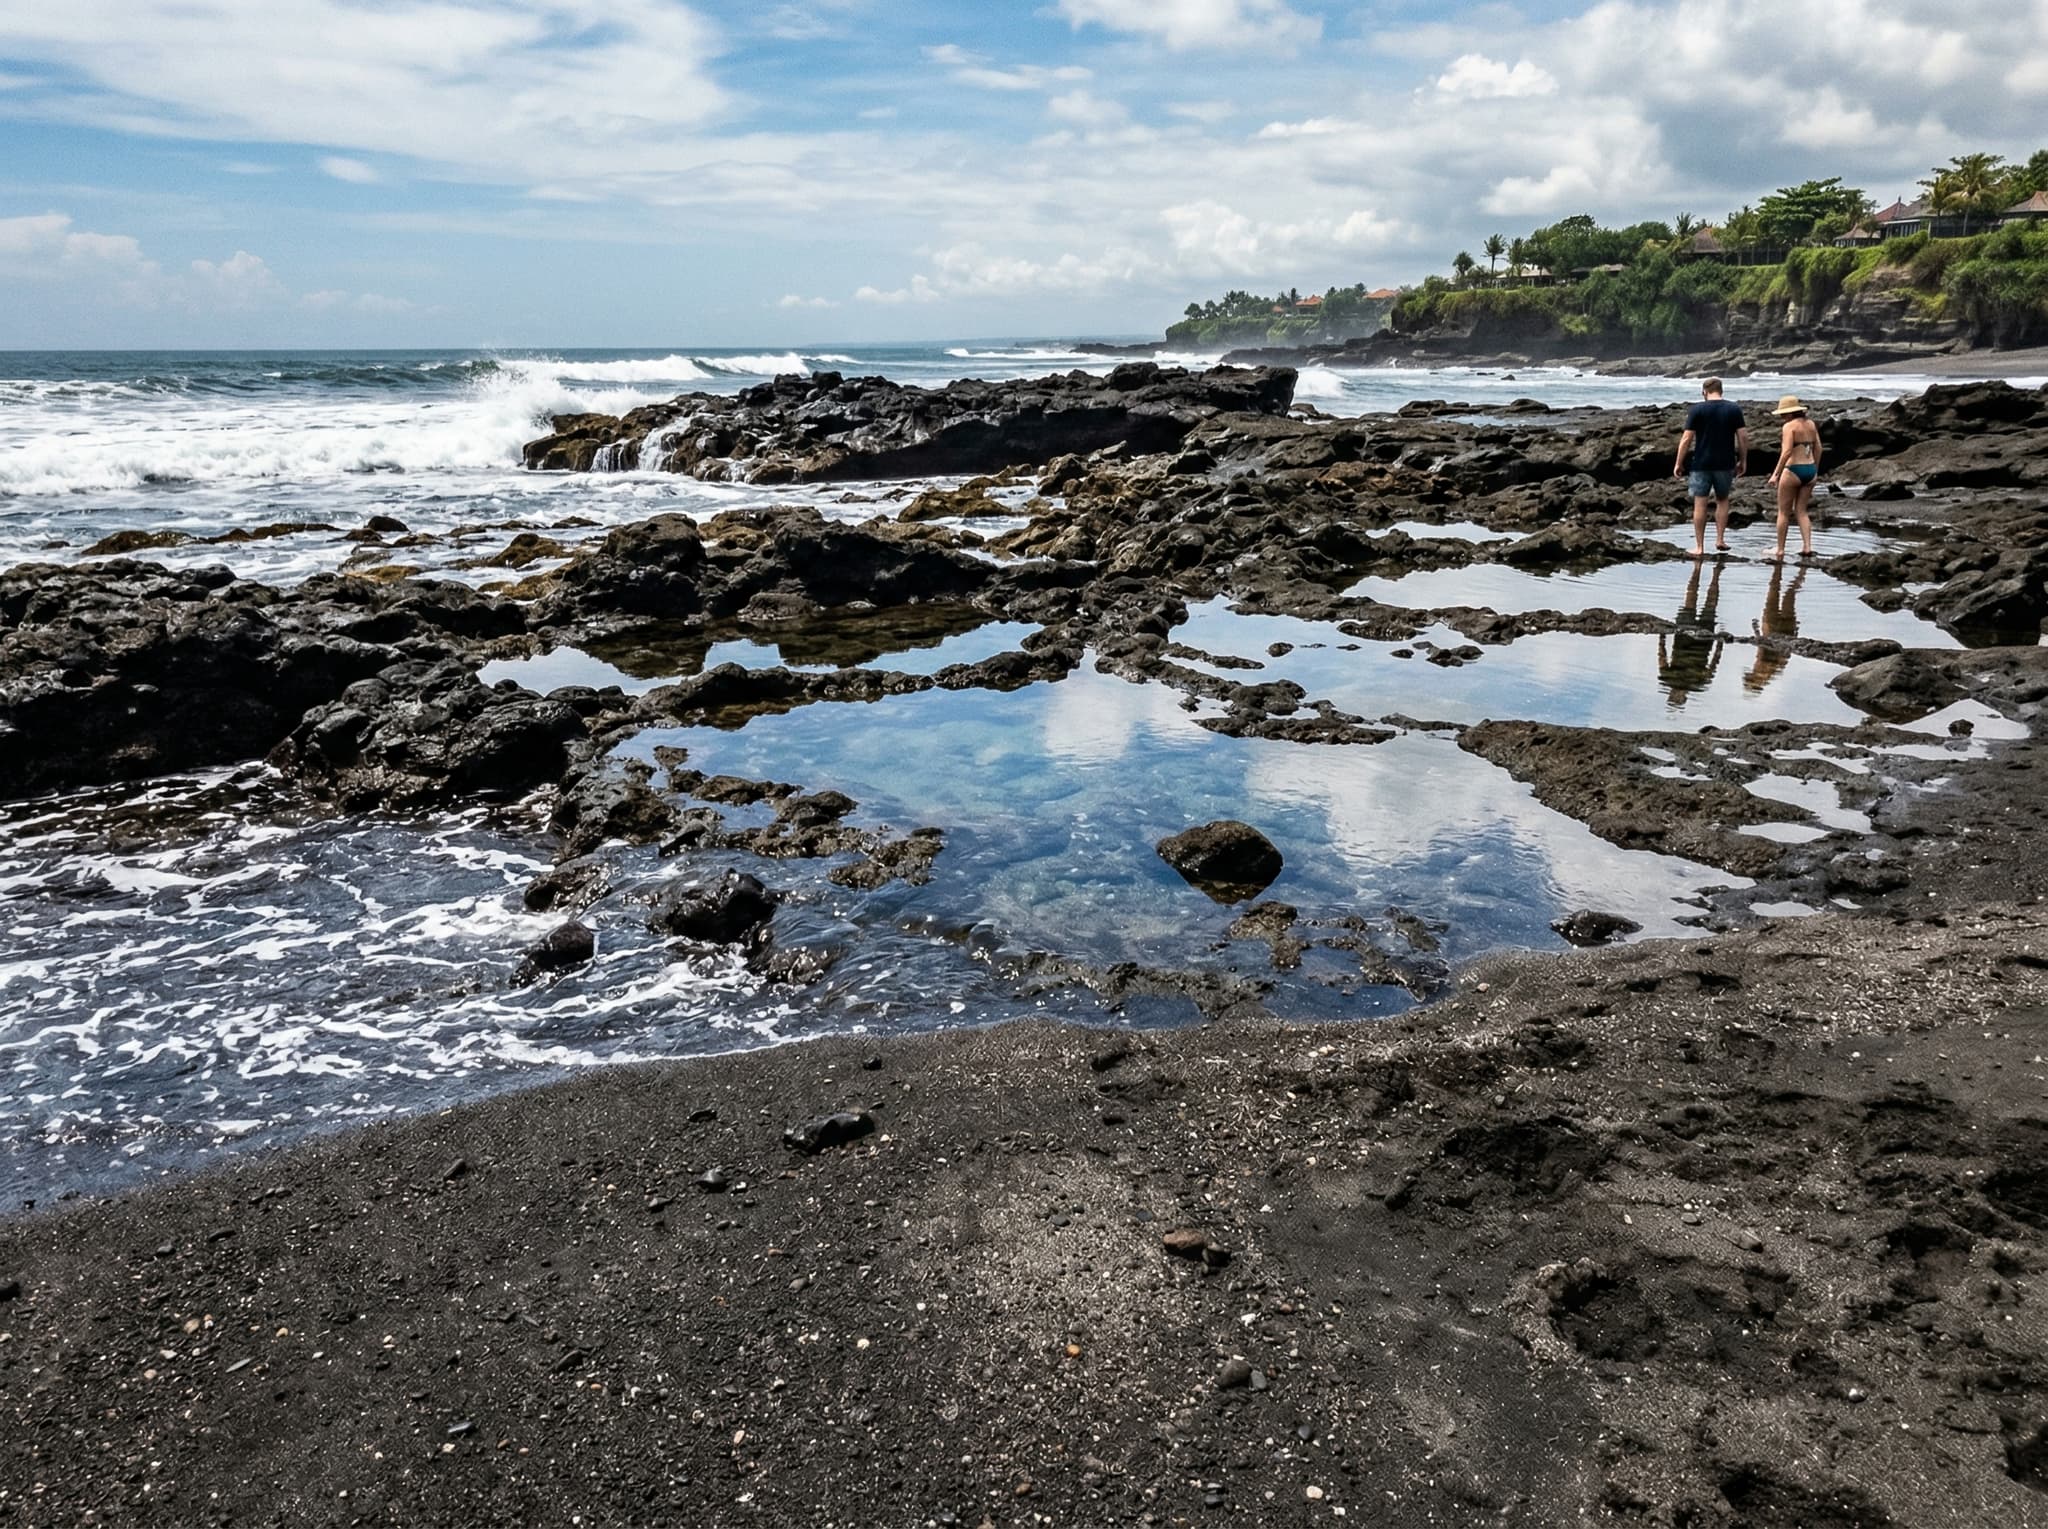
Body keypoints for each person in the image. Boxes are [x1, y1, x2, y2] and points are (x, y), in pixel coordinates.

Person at [1672, 377, 1749, 558]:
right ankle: (1720, 540)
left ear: (1704, 392)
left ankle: (1699, 546)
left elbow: (1686, 439)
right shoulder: (1733, 409)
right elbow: (1743, 437)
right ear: (1721, 390)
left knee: (1700, 504)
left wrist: (1678, 462)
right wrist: (1743, 460)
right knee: (1723, 500)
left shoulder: (1697, 410)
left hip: (1701, 463)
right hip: (1725, 463)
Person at [1657, 557, 1724, 707]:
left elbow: (1662, 656)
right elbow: (1713, 665)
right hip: (1701, 639)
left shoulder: (1669, 679)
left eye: (1674, 696)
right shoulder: (1698, 684)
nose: (1677, 694)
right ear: (1685, 698)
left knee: (1694, 603)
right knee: (1704, 604)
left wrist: (1662, 636)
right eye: (1679, 698)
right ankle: (1711, 574)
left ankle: (1703, 571)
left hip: (1686, 636)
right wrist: (1720, 644)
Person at [1766, 395, 1822, 560]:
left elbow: (1787, 452)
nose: (1782, 417)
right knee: (1802, 511)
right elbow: (1819, 448)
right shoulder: (1811, 424)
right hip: (1810, 470)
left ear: (1790, 413)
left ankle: (1780, 549)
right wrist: (1815, 469)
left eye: (1783, 414)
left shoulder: (1789, 427)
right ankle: (1807, 547)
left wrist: (1775, 474)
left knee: (1783, 512)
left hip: (1793, 470)